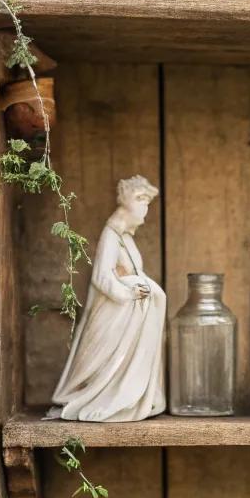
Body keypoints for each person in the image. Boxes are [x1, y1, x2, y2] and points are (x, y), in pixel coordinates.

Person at [48, 174, 166, 422]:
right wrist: (130, 292)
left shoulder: (125, 238)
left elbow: (135, 272)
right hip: (112, 318)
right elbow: (102, 278)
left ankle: (126, 396)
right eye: (142, 200)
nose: (146, 208)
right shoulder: (110, 236)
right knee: (103, 366)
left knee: (124, 364)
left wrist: (145, 287)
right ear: (128, 202)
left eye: (148, 201)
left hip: (127, 319)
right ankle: (105, 397)